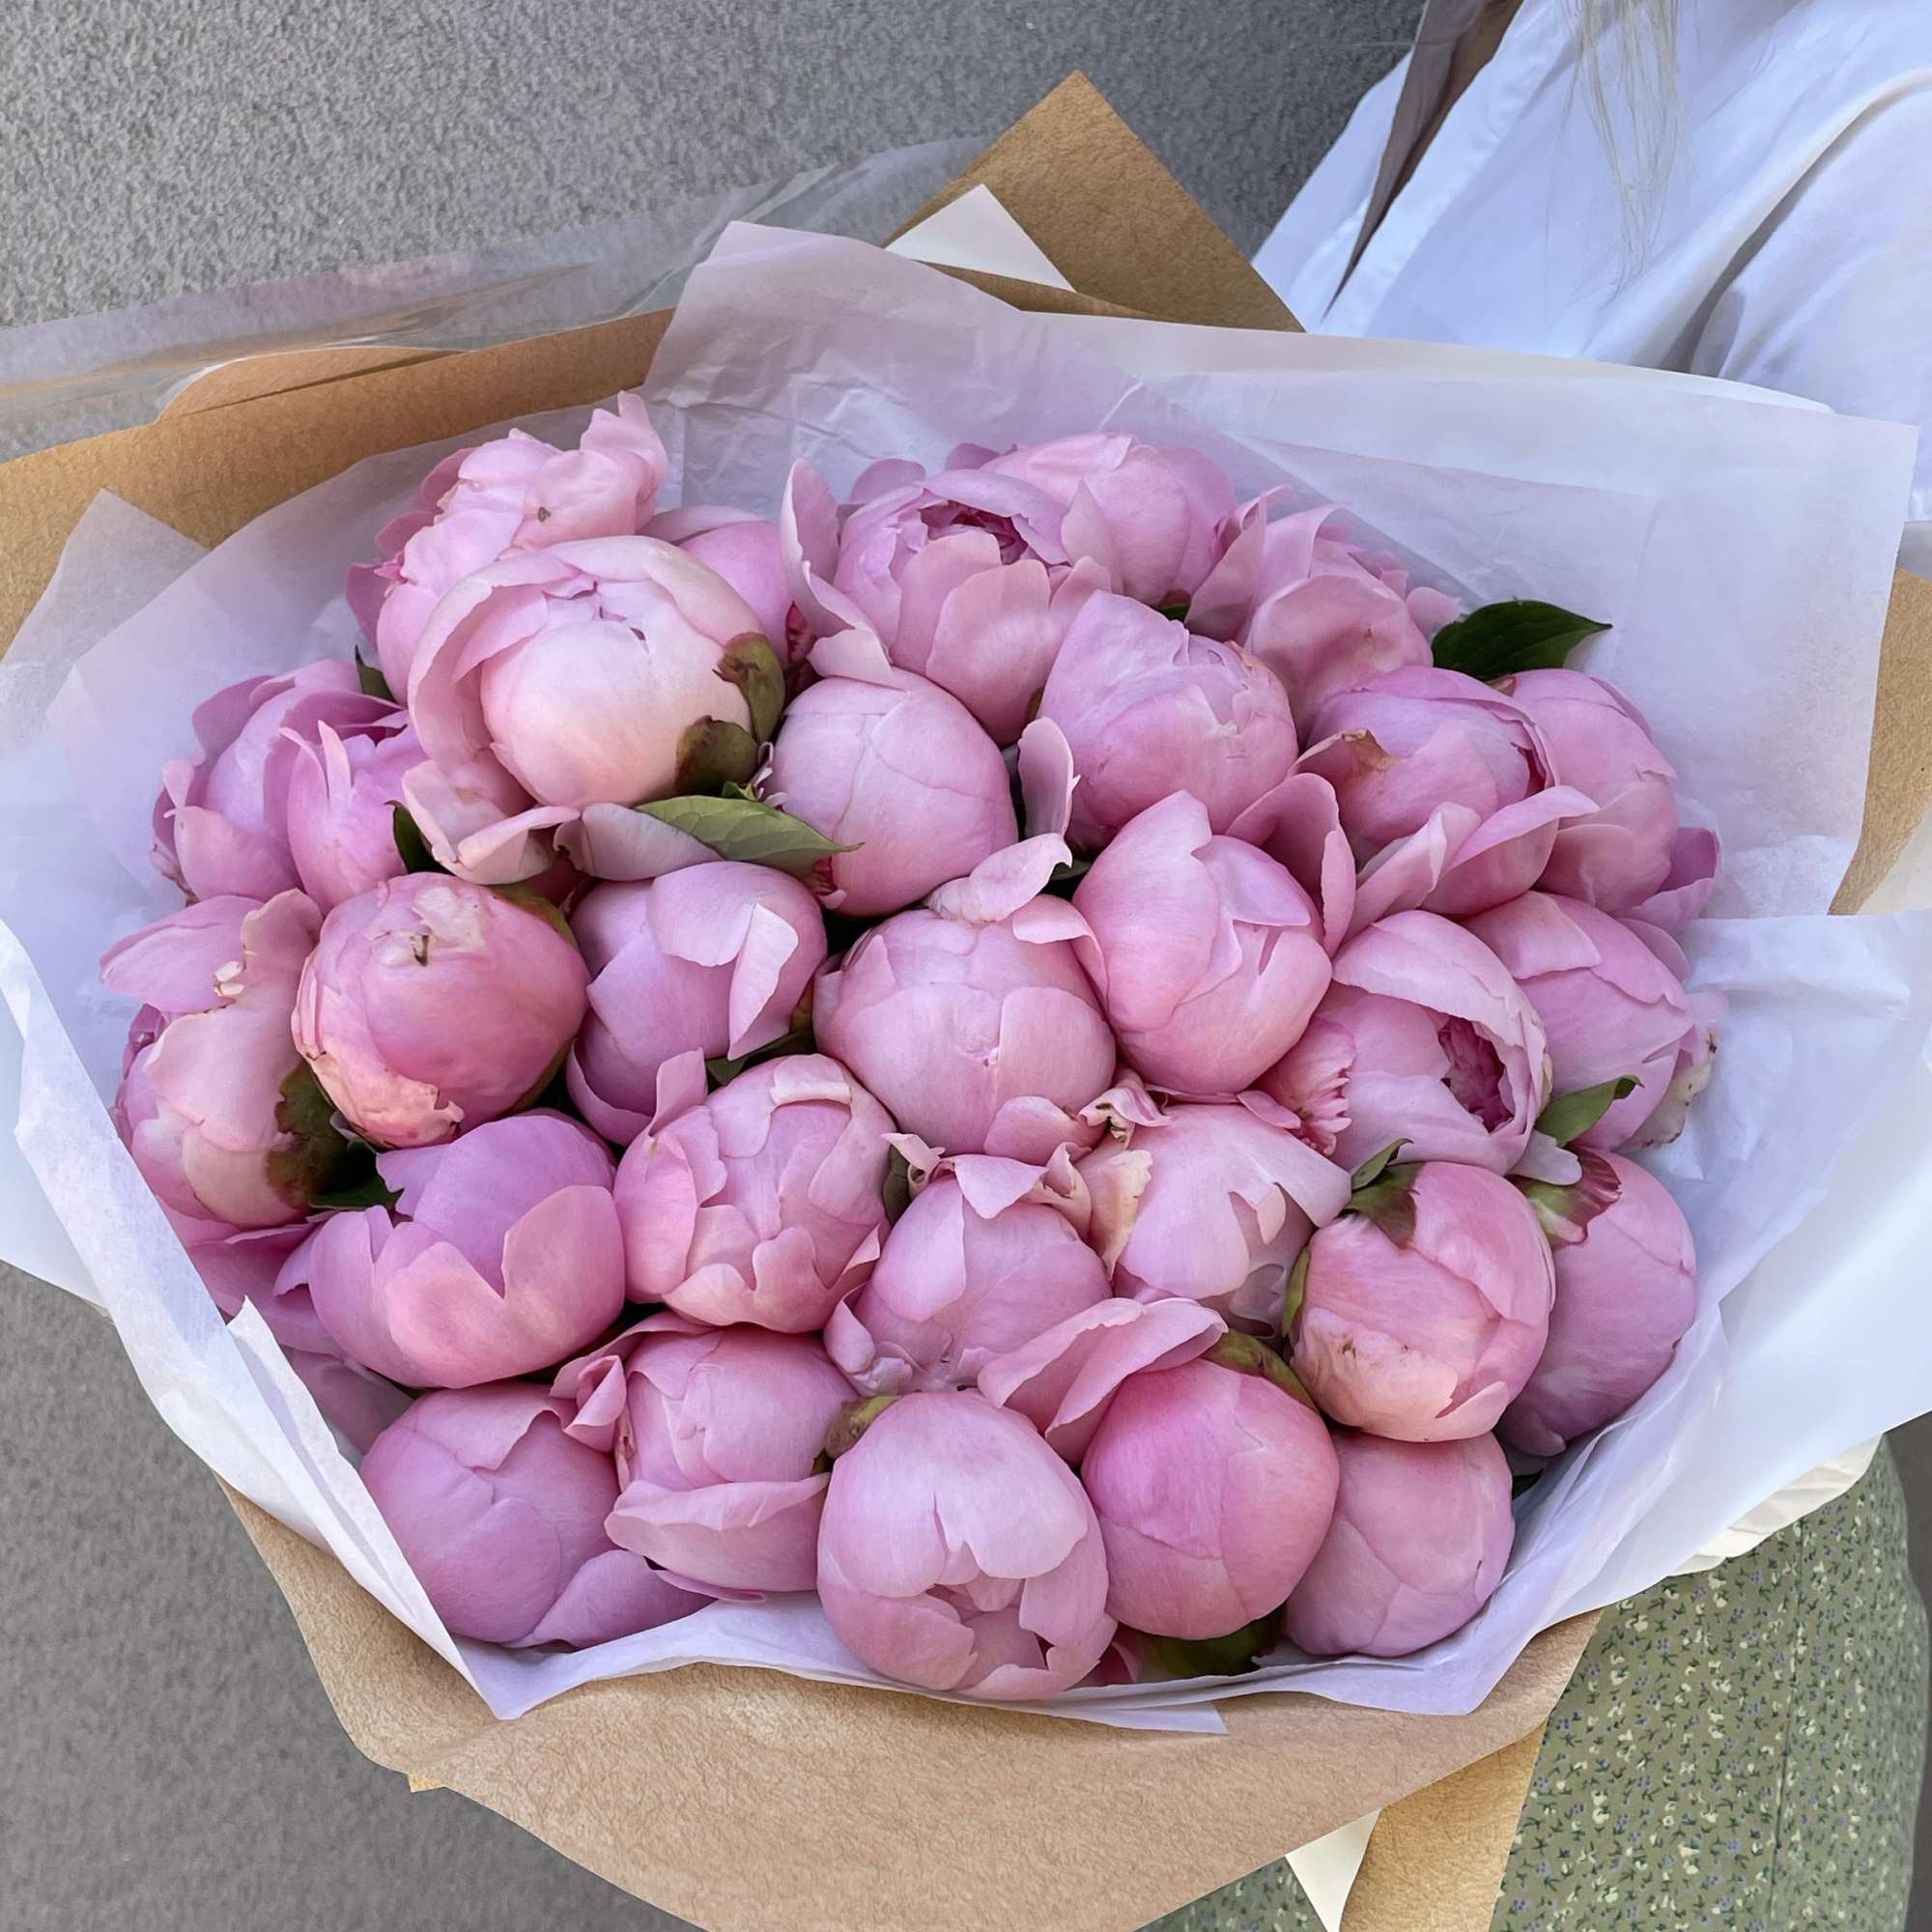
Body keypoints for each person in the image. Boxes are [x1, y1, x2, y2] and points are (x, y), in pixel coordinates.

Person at [1154, 7, 1932, 1927]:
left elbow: (1877, 960)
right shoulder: (1474, 49)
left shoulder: (1888, 125)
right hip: (1201, 1547)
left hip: (1587, 1660)